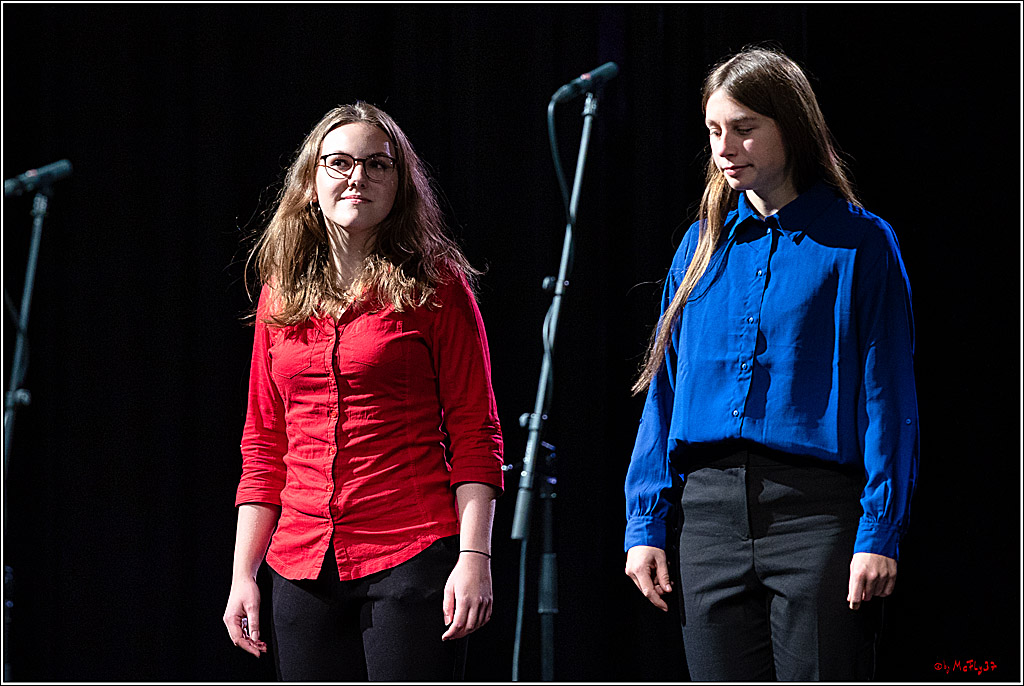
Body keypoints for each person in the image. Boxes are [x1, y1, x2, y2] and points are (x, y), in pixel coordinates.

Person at [623, 47, 919, 681]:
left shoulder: (860, 242)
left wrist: (878, 532)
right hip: (708, 520)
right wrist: (643, 522)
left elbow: (888, 397)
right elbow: (665, 389)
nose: (725, 146)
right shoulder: (700, 245)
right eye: (713, 131)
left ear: (793, 126)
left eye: (745, 126)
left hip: (814, 518)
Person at [222, 102, 504, 681]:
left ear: (399, 184)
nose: (359, 177)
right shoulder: (280, 294)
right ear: (311, 178)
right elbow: (263, 444)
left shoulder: (438, 285)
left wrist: (475, 557)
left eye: (378, 165)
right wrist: (242, 575)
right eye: (341, 162)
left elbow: (477, 432)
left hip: (411, 551)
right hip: (299, 562)